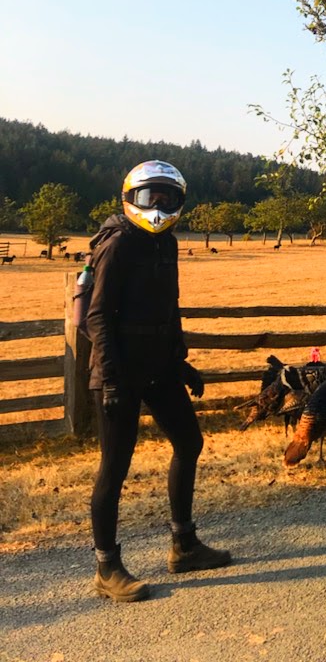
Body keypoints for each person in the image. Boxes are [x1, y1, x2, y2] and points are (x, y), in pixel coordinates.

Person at [86, 160, 231, 602]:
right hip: (120, 372)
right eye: (152, 197)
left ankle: (183, 544)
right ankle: (107, 568)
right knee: (114, 468)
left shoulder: (165, 244)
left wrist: (180, 363)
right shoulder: (119, 243)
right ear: (131, 197)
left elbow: (170, 310)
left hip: (159, 368)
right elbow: (97, 317)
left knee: (189, 442)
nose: (160, 206)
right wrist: (110, 379)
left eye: (168, 198)